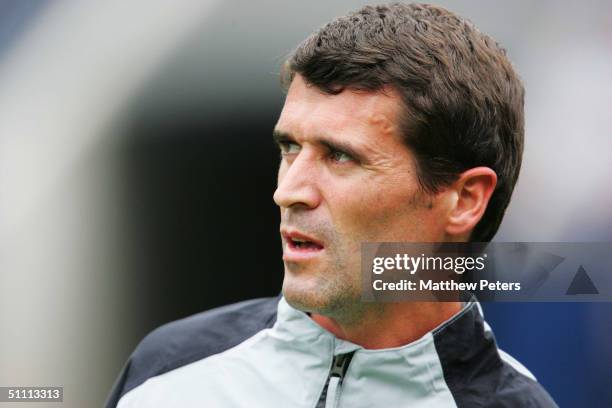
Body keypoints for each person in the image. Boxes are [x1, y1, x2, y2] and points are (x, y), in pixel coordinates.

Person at [106, 3, 557, 407]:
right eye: (289, 148)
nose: (289, 191)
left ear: (463, 200)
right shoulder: (167, 370)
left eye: (339, 156)